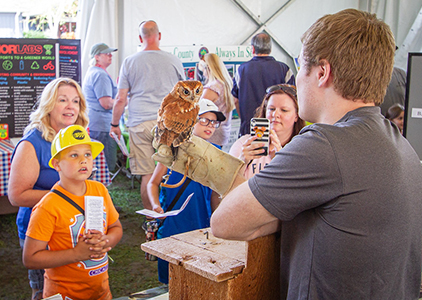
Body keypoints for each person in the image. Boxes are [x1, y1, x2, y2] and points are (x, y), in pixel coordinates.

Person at [211, 9, 422, 299]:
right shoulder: (401, 145)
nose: (297, 79)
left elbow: (224, 221)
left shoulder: (324, 144)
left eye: (300, 67)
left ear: (322, 72)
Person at [8, 77, 89, 300]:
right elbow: (16, 196)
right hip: (41, 233)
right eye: (63, 100)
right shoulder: (32, 143)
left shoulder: (76, 139)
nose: (71, 106)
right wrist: (65, 198)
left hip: (72, 229)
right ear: (49, 105)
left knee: (74, 286)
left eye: (75, 101)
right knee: (46, 292)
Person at [23, 125, 123, 299]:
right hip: (64, 294)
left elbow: (116, 227)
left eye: (87, 154)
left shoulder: (99, 190)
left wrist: (106, 240)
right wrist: (76, 254)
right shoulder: (47, 206)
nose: (83, 160)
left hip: (101, 291)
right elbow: (30, 258)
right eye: (74, 155)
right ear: (56, 164)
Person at [110, 20, 185, 213]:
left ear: (140, 38)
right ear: (159, 36)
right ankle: (169, 213)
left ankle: (151, 219)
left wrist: (115, 123)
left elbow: (120, 98)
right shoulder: (174, 60)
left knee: (147, 175)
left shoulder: (129, 61)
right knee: (170, 170)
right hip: (168, 123)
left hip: (140, 123)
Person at [147, 99, 224, 284]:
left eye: (213, 122)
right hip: (174, 224)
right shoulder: (171, 151)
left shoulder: (216, 153)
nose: (210, 126)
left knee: (199, 276)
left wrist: (218, 219)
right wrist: (156, 206)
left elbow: (215, 194)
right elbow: (153, 183)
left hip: (203, 225)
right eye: (203, 120)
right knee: (172, 278)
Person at [230, 84, 305, 179]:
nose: (276, 114)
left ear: (296, 116)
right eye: (271, 109)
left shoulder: (303, 151)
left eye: (284, 110)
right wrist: (241, 162)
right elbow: (225, 187)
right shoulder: (243, 144)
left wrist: (282, 164)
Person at [232, 32, 295, 136]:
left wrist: (245, 119)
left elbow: (236, 100)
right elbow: (293, 99)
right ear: (270, 49)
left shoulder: (241, 70)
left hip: (249, 129)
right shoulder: (284, 69)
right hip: (277, 131)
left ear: (252, 49)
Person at [83, 42, 118, 172]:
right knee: (106, 165)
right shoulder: (100, 75)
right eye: (107, 53)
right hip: (103, 125)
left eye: (111, 53)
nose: (110, 55)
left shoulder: (93, 71)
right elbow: (106, 103)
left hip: (96, 123)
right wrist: (122, 101)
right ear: (97, 57)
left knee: (97, 163)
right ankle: (104, 189)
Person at [201, 53, 235, 147]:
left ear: (208, 68)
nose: (203, 73)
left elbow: (199, 110)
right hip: (223, 131)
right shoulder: (226, 83)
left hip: (211, 133)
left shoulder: (212, 88)